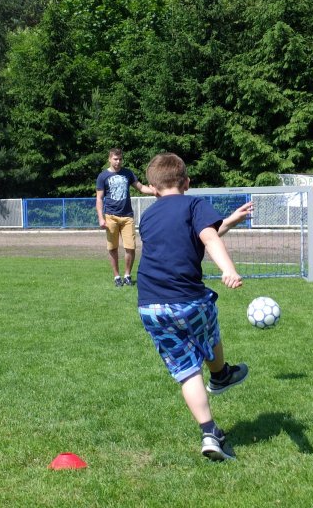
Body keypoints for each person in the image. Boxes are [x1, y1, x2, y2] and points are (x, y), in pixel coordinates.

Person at [137, 153, 254, 461]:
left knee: (186, 370)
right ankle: (220, 374)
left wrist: (229, 221)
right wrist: (228, 269)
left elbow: (192, 237)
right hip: (187, 299)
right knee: (208, 322)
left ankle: (209, 432)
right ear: (187, 182)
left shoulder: (147, 216)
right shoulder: (194, 204)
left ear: (153, 188)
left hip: (150, 306)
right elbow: (208, 238)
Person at [96, 148, 152, 287]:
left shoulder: (128, 173)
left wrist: (156, 190)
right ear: (109, 159)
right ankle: (117, 277)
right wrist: (101, 218)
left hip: (127, 217)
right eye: (115, 159)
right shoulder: (102, 176)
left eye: (120, 159)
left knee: (130, 247)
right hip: (111, 216)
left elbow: (141, 188)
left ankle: (127, 275)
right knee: (112, 248)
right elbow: (99, 198)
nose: (118, 161)